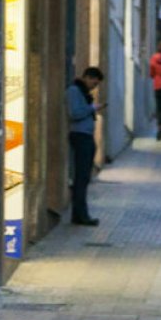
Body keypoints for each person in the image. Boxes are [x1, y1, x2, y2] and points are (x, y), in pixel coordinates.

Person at [67, 66, 104, 226]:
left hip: (86, 136)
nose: (94, 87)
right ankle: (81, 215)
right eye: (93, 83)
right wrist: (92, 108)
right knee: (81, 177)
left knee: (84, 177)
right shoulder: (74, 91)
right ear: (87, 77)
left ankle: (79, 214)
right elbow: (75, 113)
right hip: (80, 136)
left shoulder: (82, 92)